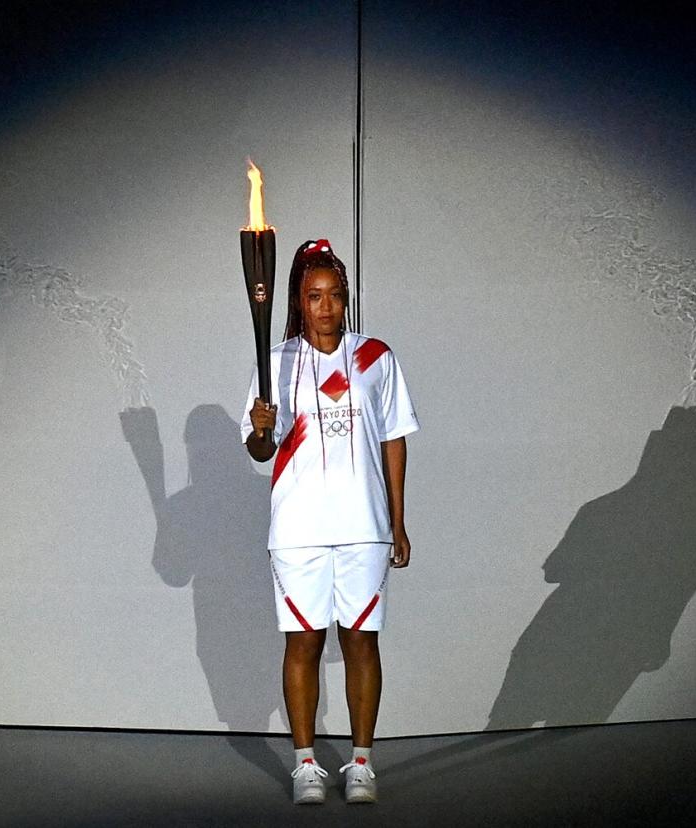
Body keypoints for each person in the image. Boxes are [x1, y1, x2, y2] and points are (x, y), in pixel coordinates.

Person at [241, 238, 419, 805]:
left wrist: (398, 521)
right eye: (314, 297)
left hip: (364, 525)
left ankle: (362, 763)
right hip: (298, 529)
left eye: (335, 296)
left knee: (362, 644)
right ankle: (306, 765)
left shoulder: (376, 359)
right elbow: (260, 452)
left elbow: (393, 441)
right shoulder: (276, 362)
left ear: (346, 300)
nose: (325, 307)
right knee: (303, 645)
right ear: (299, 299)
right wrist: (264, 429)